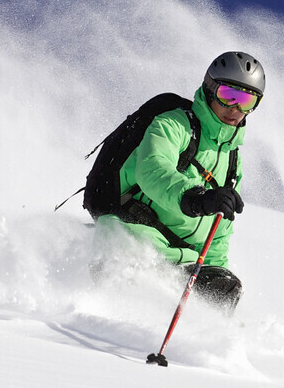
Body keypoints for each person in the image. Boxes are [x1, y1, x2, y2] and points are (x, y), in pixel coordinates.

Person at [93, 51, 265, 314]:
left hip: (183, 261)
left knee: (224, 290)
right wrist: (195, 199)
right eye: (228, 95)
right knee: (133, 288)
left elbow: (219, 229)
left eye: (246, 100)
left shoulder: (232, 161)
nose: (236, 109)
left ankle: (203, 346)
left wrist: (217, 269)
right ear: (209, 90)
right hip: (135, 234)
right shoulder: (174, 125)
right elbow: (152, 170)